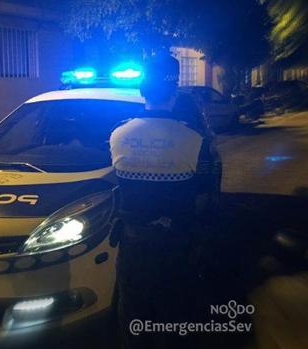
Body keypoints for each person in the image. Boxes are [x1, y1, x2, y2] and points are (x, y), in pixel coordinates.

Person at [109, 53, 205, 349]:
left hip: (133, 244)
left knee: (134, 317)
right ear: (175, 92)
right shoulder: (193, 139)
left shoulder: (118, 135)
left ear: (142, 92)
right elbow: (203, 194)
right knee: (175, 318)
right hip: (176, 244)